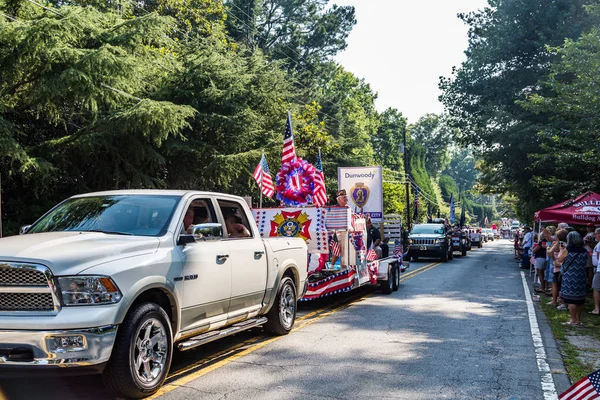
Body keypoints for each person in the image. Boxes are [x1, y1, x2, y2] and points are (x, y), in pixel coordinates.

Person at [555, 231, 589, 325]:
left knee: (571, 300)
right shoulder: (584, 250)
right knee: (579, 300)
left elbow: (559, 259)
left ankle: (573, 320)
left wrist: (561, 250)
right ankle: (578, 319)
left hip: (569, 277)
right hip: (581, 276)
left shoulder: (568, 249)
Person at [590, 227, 600, 315]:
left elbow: (598, 257)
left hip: (599, 269)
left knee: (596, 288)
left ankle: (597, 308)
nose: (595, 235)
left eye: (596, 233)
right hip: (597, 267)